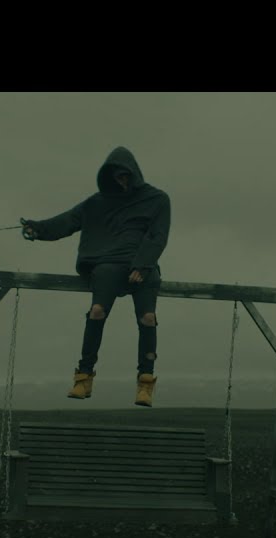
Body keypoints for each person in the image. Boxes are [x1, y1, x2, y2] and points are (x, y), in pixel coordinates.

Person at [20, 146, 170, 407]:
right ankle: (84, 377)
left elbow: (158, 235)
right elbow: (68, 220)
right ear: (108, 177)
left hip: (142, 265)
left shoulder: (157, 199)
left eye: (126, 176)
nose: (122, 182)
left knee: (147, 317)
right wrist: (37, 229)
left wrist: (143, 265)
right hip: (107, 264)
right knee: (97, 311)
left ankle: (145, 383)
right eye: (117, 177)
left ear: (134, 174)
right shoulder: (97, 203)